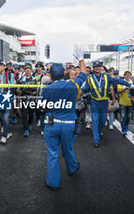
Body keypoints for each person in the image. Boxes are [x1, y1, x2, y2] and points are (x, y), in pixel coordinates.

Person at [42, 57, 86, 191]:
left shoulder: (47, 89)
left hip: (52, 123)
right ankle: (72, 168)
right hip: (68, 124)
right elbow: (83, 74)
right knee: (68, 149)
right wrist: (81, 59)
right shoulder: (73, 84)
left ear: (51, 76)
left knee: (52, 153)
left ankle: (53, 183)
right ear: (64, 74)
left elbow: (43, 106)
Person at [82, 61, 134, 148]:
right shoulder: (89, 79)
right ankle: (96, 140)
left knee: (103, 120)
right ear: (93, 68)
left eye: (99, 66)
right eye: (96, 66)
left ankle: (98, 133)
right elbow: (85, 89)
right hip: (94, 102)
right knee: (95, 121)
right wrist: (78, 93)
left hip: (104, 103)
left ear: (101, 68)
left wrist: (129, 85)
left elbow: (118, 80)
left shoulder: (106, 76)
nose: (97, 68)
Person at [0, 61, 16, 144]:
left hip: (7, 97)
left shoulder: (10, 75)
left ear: (4, 67)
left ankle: (4, 136)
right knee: (2, 117)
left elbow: (14, 87)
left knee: (6, 118)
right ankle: (8, 132)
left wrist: (11, 98)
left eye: (0, 65)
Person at [17, 63, 37, 137]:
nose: (27, 71)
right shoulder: (20, 80)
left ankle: (29, 124)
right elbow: (17, 90)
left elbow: (37, 90)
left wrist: (35, 96)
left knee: (31, 114)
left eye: (29, 70)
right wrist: (19, 91)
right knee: (24, 115)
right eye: (26, 69)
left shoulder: (35, 80)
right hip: (23, 99)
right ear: (24, 70)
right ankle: (25, 129)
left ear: (31, 70)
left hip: (32, 99)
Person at [117, 70, 133, 136]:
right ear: (124, 75)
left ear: (131, 76)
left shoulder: (132, 83)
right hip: (122, 102)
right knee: (123, 117)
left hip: (130, 103)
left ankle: (126, 126)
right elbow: (118, 92)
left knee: (129, 117)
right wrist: (124, 89)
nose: (127, 75)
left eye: (129, 74)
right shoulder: (121, 83)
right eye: (126, 74)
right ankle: (123, 129)